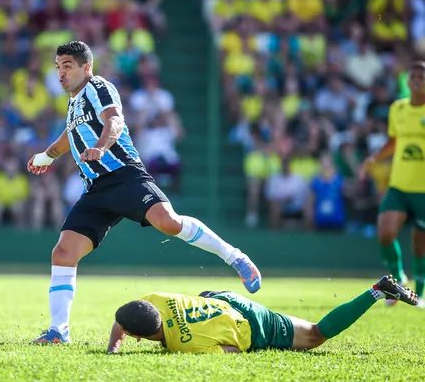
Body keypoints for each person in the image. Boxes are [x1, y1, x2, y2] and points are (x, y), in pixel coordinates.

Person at [28, 41, 261, 344]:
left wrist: (100, 146)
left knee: (168, 222)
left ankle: (235, 257)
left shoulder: (98, 86)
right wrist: (46, 156)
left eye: (67, 66)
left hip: (125, 176)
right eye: (57, 67)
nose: (60, 73)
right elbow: (68, 137)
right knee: (63, 252)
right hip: (96, 190)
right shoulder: (74, 102)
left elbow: (115, 120)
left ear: (87, 67)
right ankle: (59, 331)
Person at [107, 275, 418, 354]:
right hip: (222, 298)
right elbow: (124, 318)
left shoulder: (183, 345)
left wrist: (114, 347)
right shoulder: (154, 300)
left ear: (138, 336)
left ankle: (378, 291)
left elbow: (231, 349)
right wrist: (113, 346)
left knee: (315, 335)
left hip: (249, 323)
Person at [359, 61, 425, 305]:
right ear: (408, 82)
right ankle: (398, 277)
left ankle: (421, 291)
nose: (417, 79)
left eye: (422, 75)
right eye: (414, 76)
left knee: (420, 243)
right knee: (385, 232)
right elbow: (394, 141)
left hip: (423, 189)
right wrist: (374, 159)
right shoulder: (398, 109)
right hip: (399, 185)